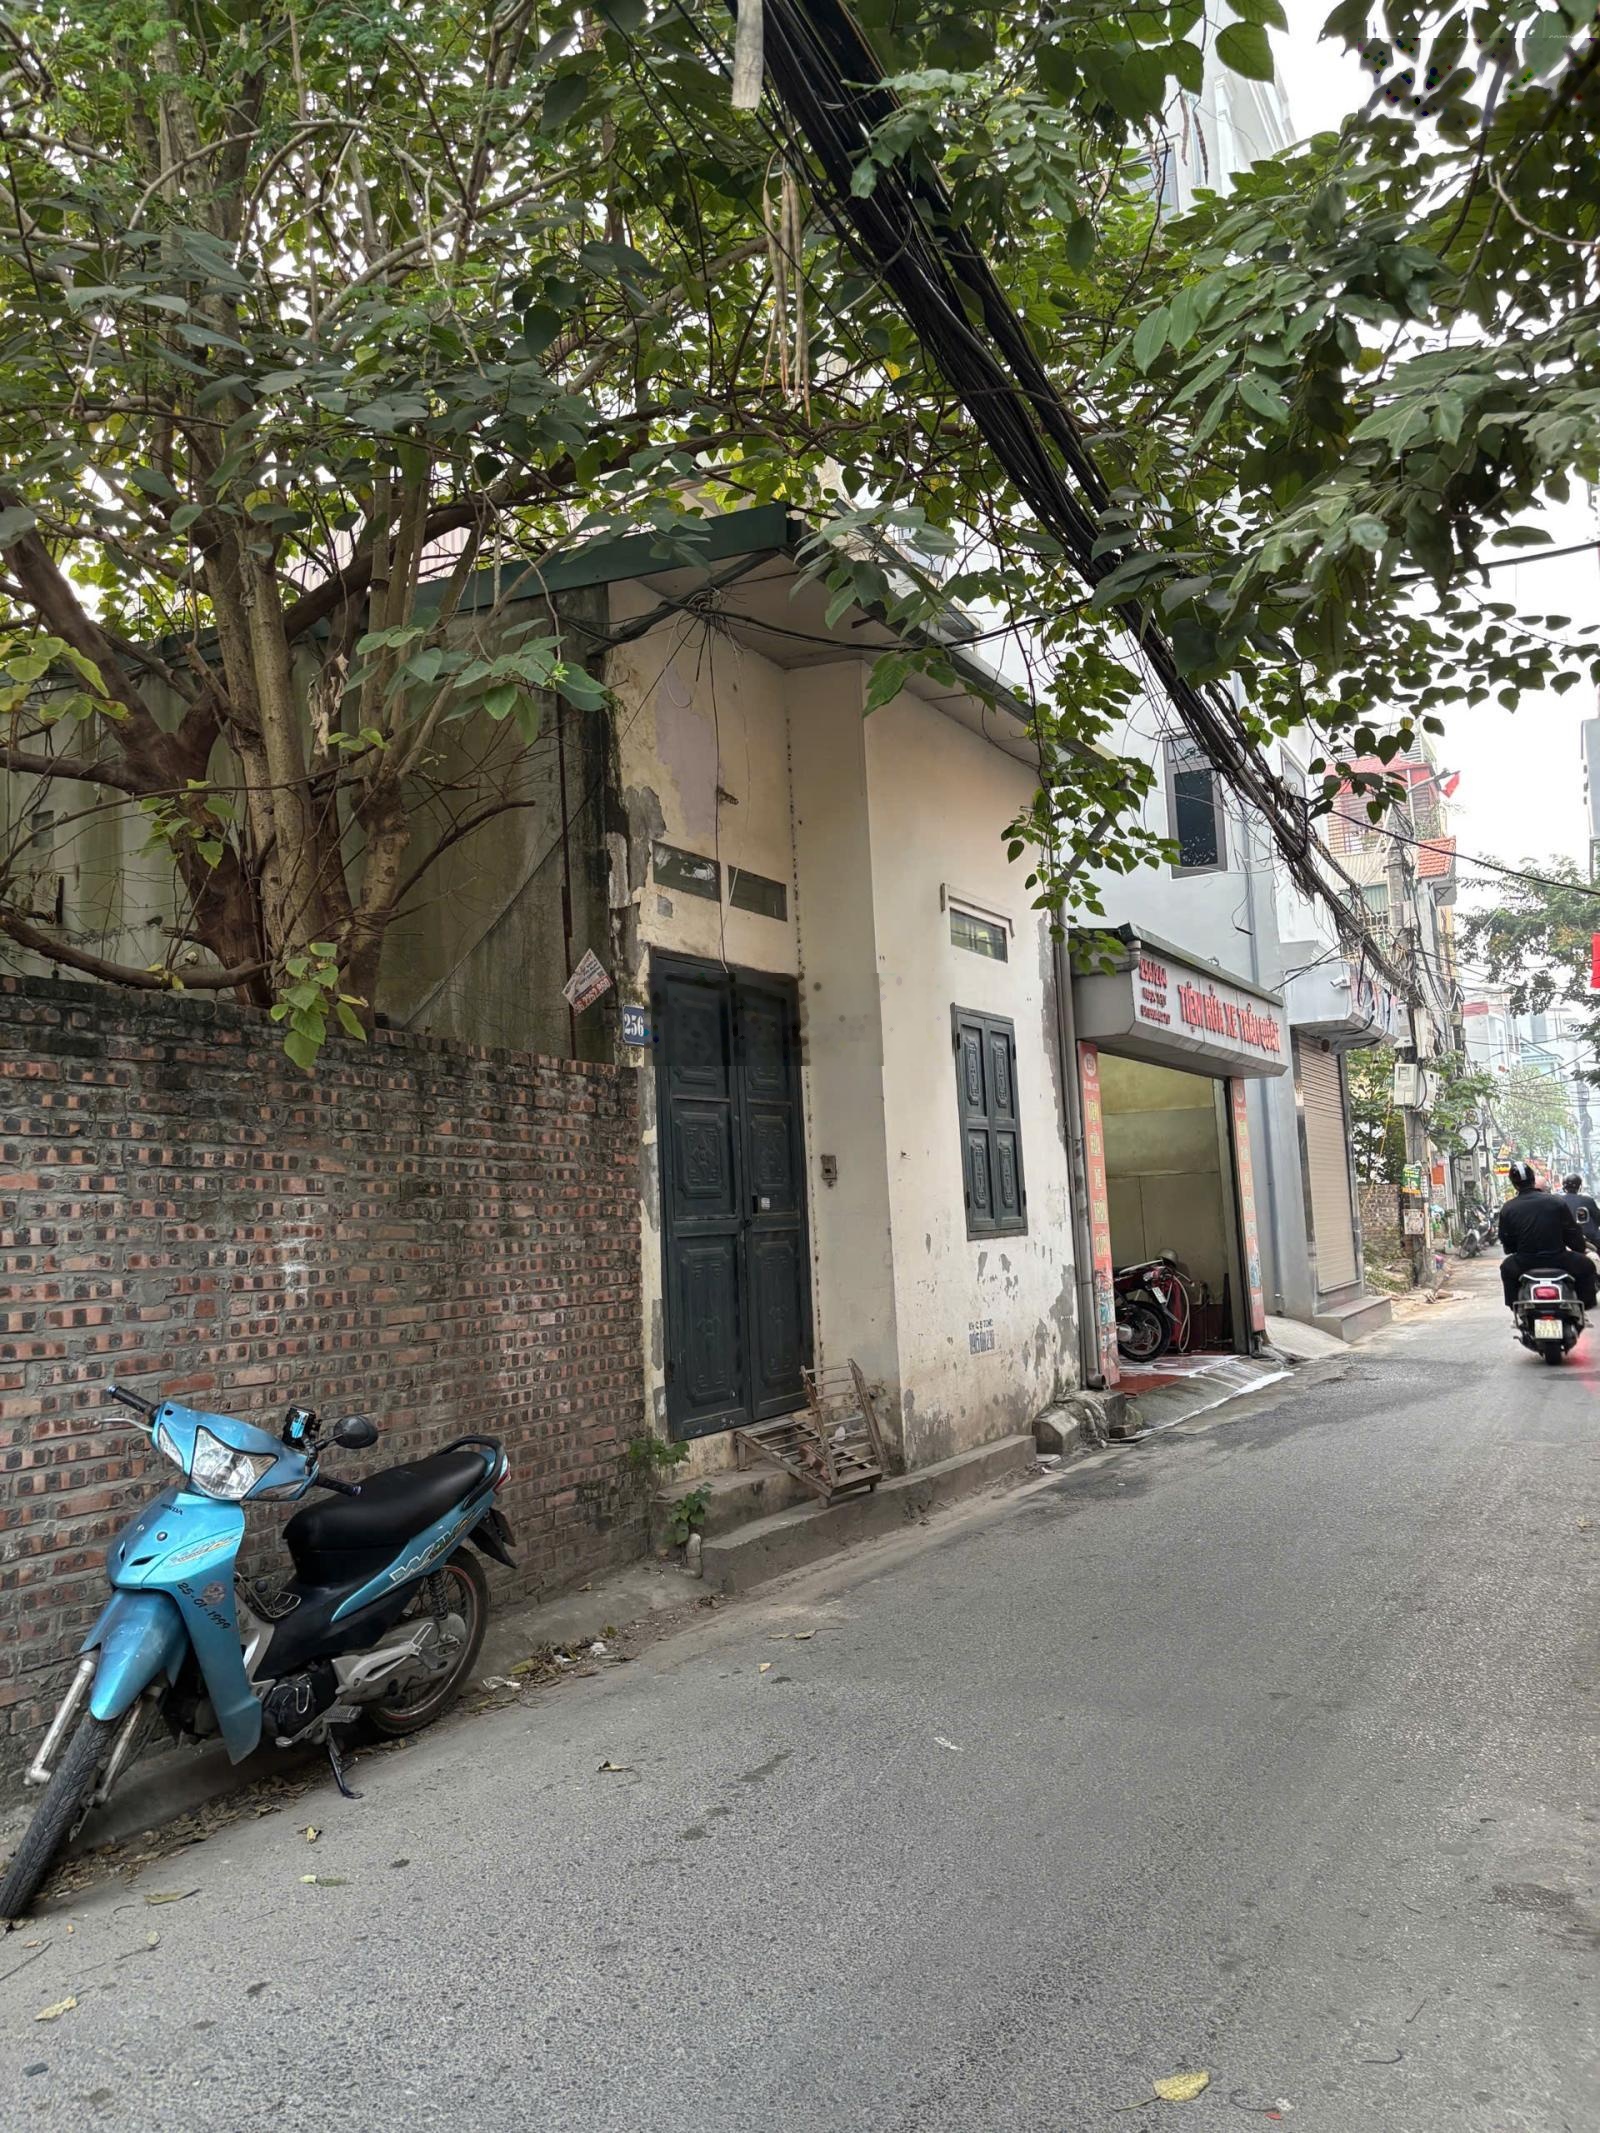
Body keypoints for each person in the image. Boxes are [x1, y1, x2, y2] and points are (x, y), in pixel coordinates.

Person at [1498, 1161, 1599, 1310]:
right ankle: (1584, 1307)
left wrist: (1515, 1249)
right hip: (1558, 1259)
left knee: (1506, 1268)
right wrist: (1579, 1248)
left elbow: (1507, 1242)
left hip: (1525, 1262)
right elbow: (1572, 1232)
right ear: (1533, 1180)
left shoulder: (1508, 1208)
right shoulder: (1556, 1202)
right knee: (1588, 1266)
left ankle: (1516, 1309)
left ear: (1514, 1184)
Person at [1558, 1172, 1600, 1243]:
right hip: (1588, 1237)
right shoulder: (1587, 1200)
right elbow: (1597, 1218)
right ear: (1579, 1186)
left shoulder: (1557, 1199)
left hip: (1563, 1238)